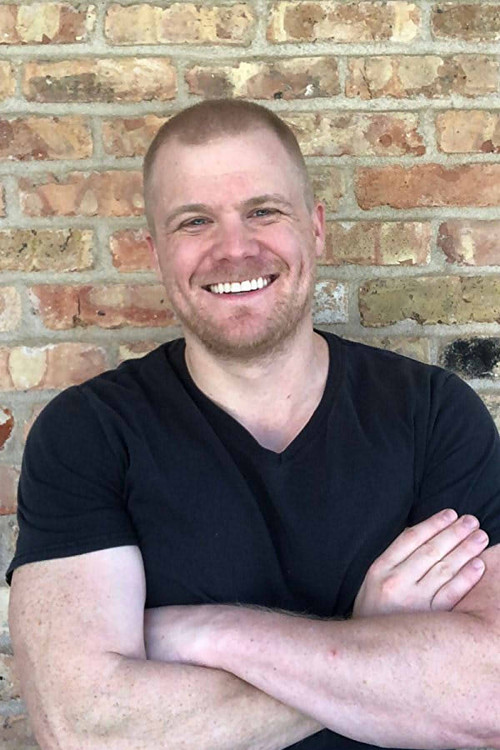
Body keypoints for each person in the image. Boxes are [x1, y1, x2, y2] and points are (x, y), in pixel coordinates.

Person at [7, 99, 500, 750]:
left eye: (264, 211)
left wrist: (209, 633)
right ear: (156, 252)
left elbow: (487, 695)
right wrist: (371, 642)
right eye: (195, 221)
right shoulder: (87, 435)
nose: (234, 249)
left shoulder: (433, 414)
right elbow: (86, 731)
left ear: (316, 229)